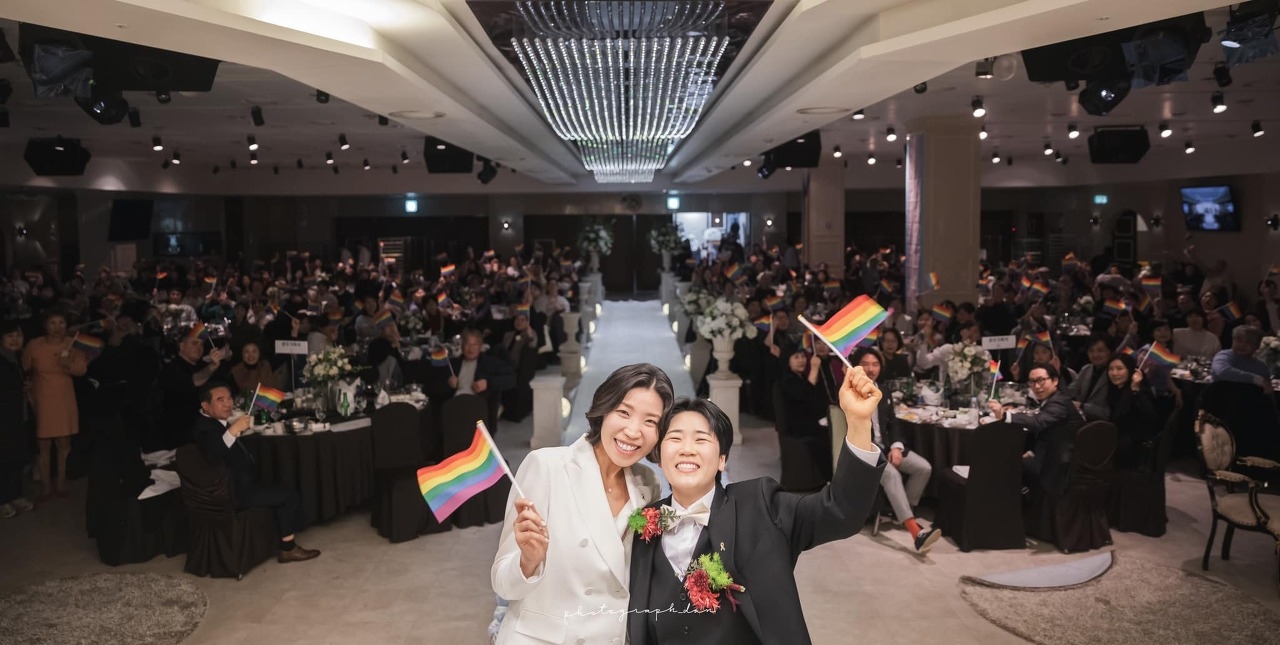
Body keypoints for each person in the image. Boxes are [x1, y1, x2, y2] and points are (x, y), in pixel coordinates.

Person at [625, 367, 884, 645]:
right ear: (660, 457)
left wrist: (858, 424)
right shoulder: (642, 524)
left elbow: (840, 511)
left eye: (701, 439)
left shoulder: (761, 505)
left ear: (722, 460)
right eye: (675, 438)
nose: (687, 448)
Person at [491, 363, 673, 645]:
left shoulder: (648, 482)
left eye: (650, 421)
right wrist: (528, 561)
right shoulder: (547, 466)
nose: (634, 431)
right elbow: (502, 582)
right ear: (604, 409)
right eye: (624, 412)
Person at [191, 381, 320, 563]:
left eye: (229, 398)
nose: (228, 404)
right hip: (233, 492)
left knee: (281, 482)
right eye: (221, 400)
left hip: (242, 483)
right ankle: (288, 549)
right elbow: (214, 454)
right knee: (288, 495)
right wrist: (234, 429)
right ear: (205, 406)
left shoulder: (215, 422)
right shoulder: (203, 427)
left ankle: (281, 537)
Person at [852, 347, 939, 552]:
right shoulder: (849, 394)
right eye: (865, 364)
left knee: (923, 468)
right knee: (891, 475)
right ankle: (915, 531)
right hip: (865, 450)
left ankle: (901, 512)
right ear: (856, 366)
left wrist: (896, 447)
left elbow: (893, 424)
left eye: (875, 364)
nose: (871, 369)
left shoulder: (883, 391)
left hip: (886, 446)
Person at [987, 363, 1083, 495]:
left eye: (1041, 380)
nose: (1037, 386)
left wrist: (1004, 415)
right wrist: (1033, 451)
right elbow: (1048, 431)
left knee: (1006, 464)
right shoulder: (1053, 399)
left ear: (1055, 381)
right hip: (1052, 453)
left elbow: (1038, 422)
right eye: (1032, 382)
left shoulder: (1058, 402)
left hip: (1059, 464)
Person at [21, 310, 88, 500]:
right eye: (52, 323)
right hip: (41, 396)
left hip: (64, 397)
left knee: (63, 443)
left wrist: (68, 364)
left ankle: (61, 481)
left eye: (61, 323)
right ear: (45, 325)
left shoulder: (73, 344)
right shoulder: (34, 345)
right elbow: (25, 367)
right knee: (43, 443)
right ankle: (45, 484)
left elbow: (81, 370)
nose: (57, 327)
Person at [159, 328, 230, 449]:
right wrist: (212, 366)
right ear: (181, 346)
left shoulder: (200, 365)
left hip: (203, 427)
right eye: (194, 343)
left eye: (201, 344)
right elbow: (194, 381)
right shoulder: (172, 368)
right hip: (180, 434)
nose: (199, 347)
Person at [776, 347, 835, 489]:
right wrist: (814, 370)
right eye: (796, 357)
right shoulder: (786, 380)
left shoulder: (800, 377)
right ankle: (829, 479)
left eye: (802, 357)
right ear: (788, 360)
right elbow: (804, 395)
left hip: (807, 422)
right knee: (825, 438)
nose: (801, 360)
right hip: (795, 427)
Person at [449, 328, 516, 431]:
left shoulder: (490, 363)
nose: (471, 348)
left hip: (477, 408)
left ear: (480, 346)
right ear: (462, 346)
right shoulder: (453, 364)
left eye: (475, 344)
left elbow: (511, 379)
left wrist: (488, 383)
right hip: (455, 406)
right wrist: (449, 383)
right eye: (467, 344)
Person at [0, 320, 34, 518]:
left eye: (18, 335)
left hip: (17, 417)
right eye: (9, 335)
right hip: (4, 419)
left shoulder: (15, 359)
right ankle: (3, 499)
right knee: (4, 459)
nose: (15, 339)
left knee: (17, 457)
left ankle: (15, 495)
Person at [1104, 354, 1159, 469]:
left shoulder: (1139, 389)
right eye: (1111, 369)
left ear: (1130, 371)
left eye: (1119, 369)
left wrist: (1134, 390)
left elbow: (1151, 416)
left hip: (1135, 444)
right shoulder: (1114, 389)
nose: (1114, 373)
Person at [1211, 325, 1273, 392]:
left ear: (1257, 346)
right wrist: (1255, 379)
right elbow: (1222, 372)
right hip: (1221, 398)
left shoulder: (1261, 367)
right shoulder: (1224, 356)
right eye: (1239, 341)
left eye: (1248, 342)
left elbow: (1268, 392)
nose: (1242, 345)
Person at [1068, 335, 1112, 422]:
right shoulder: (1086, 369)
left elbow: (1108, 413)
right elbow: (1069, 392)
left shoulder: (1114, 373)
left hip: (1101, 424)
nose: (1095, 355)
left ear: (1109, 352)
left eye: (1100, 350)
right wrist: (1058, 372)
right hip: (1080, 419)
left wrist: (1082, 406)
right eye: (1091, 351)